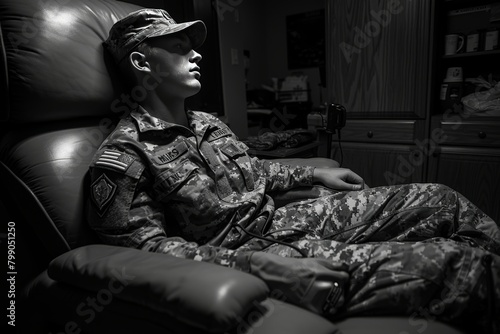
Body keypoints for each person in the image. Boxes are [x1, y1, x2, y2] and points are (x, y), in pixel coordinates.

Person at [87, 8, 500, 333]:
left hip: (280, 219)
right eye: (177, 47)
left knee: (442, 200)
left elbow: (255, 172)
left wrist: (314, 176)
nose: (195, 53)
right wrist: (256, 268)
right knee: (458, 267)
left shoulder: (208, 123)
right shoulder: (123, 155)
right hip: (248, 253)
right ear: (141, 62)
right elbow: (144, 254)